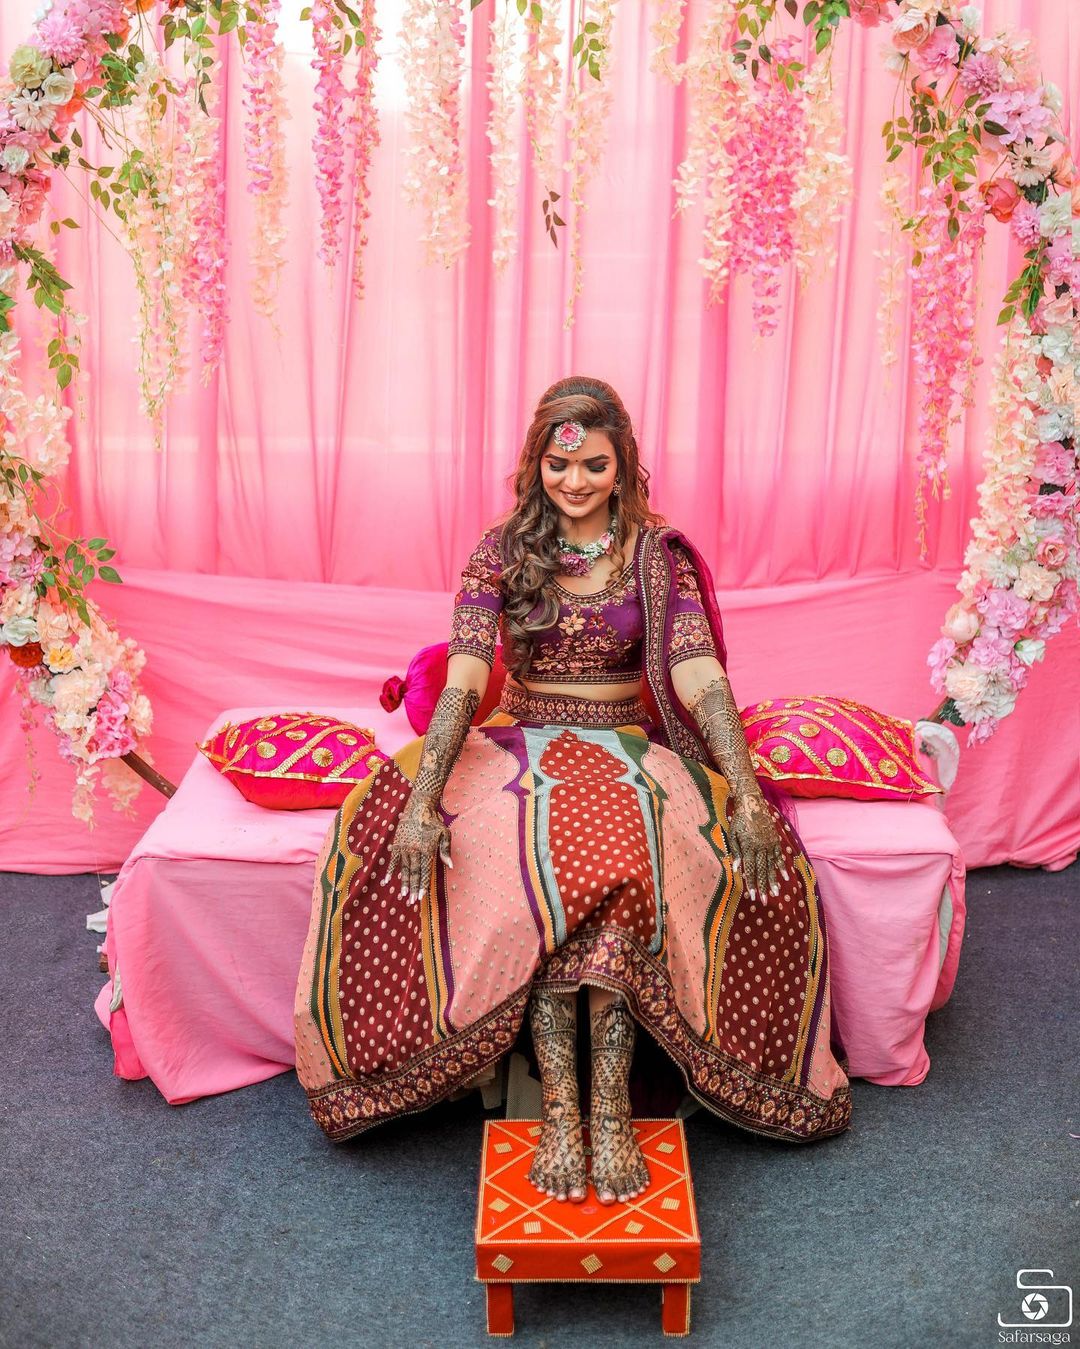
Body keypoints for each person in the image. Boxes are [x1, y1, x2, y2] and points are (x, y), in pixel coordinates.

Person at [294, 376, 852, 1206]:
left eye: (595, 464)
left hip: (629, 749)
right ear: (537, 464)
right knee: (533, 860)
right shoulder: (501, 550)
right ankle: (563, 1107)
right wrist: (423, 796)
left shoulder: (655, 558)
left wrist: (742, 790)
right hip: (519, 747)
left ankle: (611, 1105)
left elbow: (698, 675)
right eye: (561, 466)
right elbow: (467, 677)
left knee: (621, 852)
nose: (577, 481)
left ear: (623, 464)